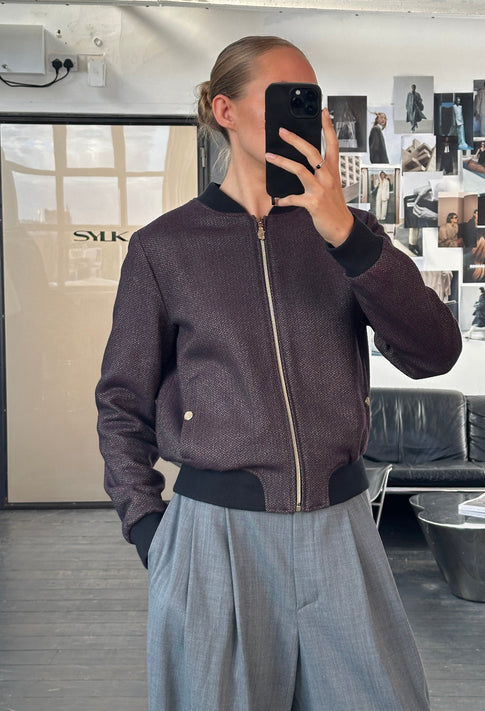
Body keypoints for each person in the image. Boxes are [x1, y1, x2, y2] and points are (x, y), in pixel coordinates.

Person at [95, 35, 462, 711]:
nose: (306, 116)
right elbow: (122, 402)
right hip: (215, 539)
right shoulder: (163, 248)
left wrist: (347, 237)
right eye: (285, 98)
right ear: (225, 111)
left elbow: (434, 352)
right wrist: (148, 528)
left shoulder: (348, 234)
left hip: (341, 530)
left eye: (311, 101)